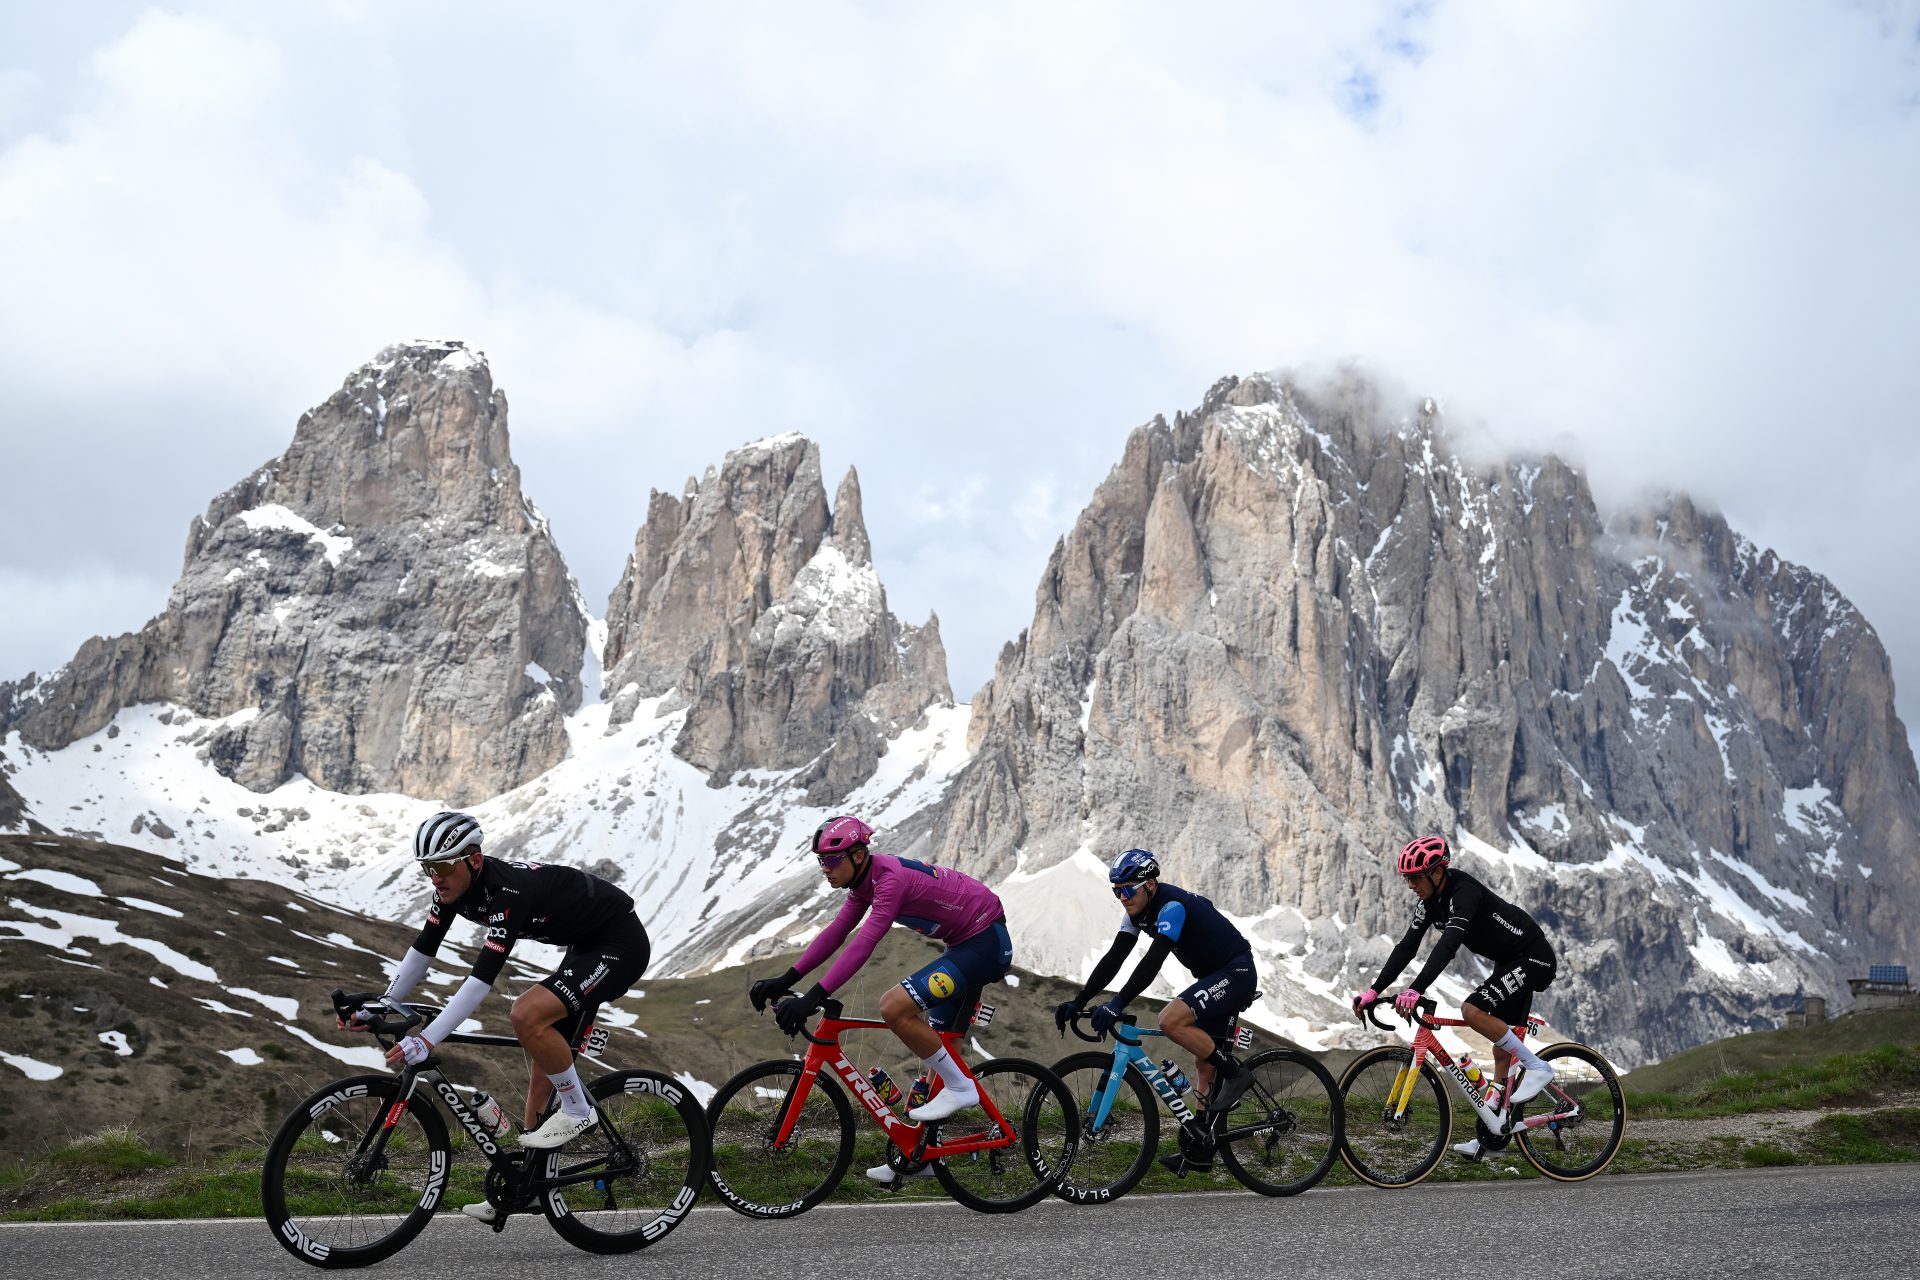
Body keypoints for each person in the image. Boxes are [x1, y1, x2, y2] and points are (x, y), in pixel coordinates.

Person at [345, 810, 651, 1219]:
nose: (434, 877)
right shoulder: (452, 890)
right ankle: (529, 1186)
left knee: (525, 1014)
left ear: (472, 859)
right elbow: (422, 952)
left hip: (619, 943)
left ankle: (580, 1111)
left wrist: (427, 1039)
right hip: (584, 944)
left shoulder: (508, 893)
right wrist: (381, 1005)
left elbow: (480, 980)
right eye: (426, 868)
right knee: (544, 1071)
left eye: (441, 866)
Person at [747, 815, 1011, 1186]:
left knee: (894, 1007)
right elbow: (837, 932)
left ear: (858, 855)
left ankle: (963, 1089)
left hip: (984, 942)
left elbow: (864, 943)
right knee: (935, 1047)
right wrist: (785, 980)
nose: (825, 868)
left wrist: (812, 997)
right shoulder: (864, 884)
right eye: (820, 861)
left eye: (832, 860)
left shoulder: (889, 881)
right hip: (965, 944)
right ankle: (919, 1156)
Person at [1351, 834, 1558, 1160]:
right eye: (1406, 878)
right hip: (1510, 961)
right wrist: (1373, 991)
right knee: (1501, 1047)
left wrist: (1415, 989)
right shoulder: (1428, 903)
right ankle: (1494, 1133)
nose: (1410, 884)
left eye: (1415, 877)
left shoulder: (1464, 892)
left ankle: (1538, 1068)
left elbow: (1448, 946)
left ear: (1437, 872)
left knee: (1473, 1010)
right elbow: (1407, 947)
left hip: (1533, 958)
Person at [1052, 849, 1259, 1173]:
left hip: (1236, 972)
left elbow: (1153, 961)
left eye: (1127, 889)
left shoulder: (1172, 907)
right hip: (1214, 977)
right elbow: (1115, 957)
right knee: (1204, 1064)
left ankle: (1236, 1074)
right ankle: (1200, 1148)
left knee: (1170, 1020)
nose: (1121, 897)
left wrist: (1118, 1003)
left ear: (1149, 884)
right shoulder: (1135, 914)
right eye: (1116, 891)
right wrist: (1080, 1000)